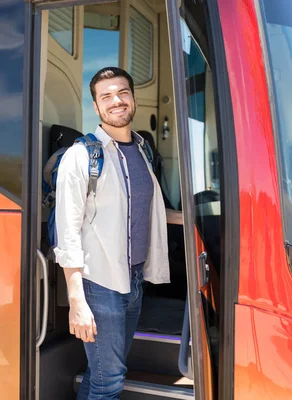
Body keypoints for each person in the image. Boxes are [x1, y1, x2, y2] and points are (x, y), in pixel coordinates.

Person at [54, 67, 170, 399]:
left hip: (133, 279)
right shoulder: (82, 156)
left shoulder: (143, 150)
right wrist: (77, 300)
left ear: (133, 99)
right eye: (106, 96)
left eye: (122, 93)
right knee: (110, 380)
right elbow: (68, 230)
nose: (116, 101)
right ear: (96, 107)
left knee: (101, 373)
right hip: (99, 284)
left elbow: (143, 207)